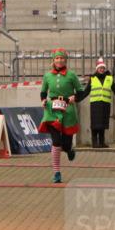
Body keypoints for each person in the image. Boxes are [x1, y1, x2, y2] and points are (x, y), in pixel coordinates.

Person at [38, 48, 83, 183]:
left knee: (66, 144)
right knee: (56, 141)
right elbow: (43, 92)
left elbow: (80, 92)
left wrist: (74, 97)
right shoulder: (47, 76)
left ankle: (69, 150)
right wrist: (44, 100)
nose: (59, 60)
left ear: (65, 60)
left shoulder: (71, 75)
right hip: (52, 111)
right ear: (53, 60)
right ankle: (56, 172)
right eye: (57, 58)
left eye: (62, 58)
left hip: (68, 110)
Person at [84, 57, 115, 148]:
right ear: (97, 69)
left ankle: (101, 143)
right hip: (95, 104)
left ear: (104, 69)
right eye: (100, 68)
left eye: (103, 68)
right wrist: (77, 98)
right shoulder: (93, 78)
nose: (101, 70)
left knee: (103, 124)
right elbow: (86, 91)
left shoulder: (109, 78)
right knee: (95, 124)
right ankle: (94, 143)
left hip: (105, 104)